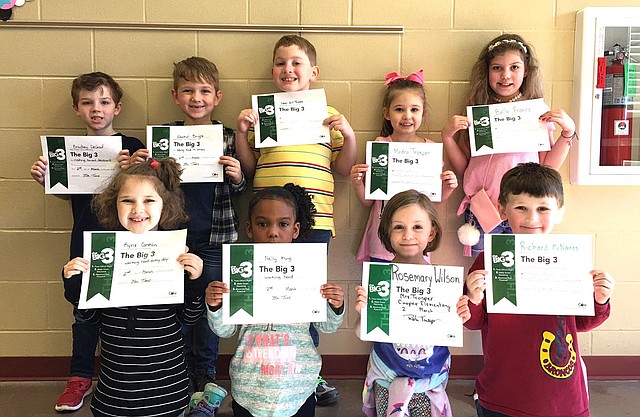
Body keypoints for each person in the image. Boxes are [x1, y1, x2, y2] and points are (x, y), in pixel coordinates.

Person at [234, 34, 356, 404]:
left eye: (297, 62)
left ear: (313, 72)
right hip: (268, 222)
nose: (289, 69)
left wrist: (347, 133)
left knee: (308, 298)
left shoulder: (327, 115)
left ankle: (310, 372)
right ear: (273, 71)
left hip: (314, 221)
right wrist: (242, 134)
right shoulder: (262, 116)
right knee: (268, 290)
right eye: (281, 63)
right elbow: (250, 167)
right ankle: (267, 370)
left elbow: (344, 168)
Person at [29, 71, 145, 413]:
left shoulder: (133, 147)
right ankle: (79, 378)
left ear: (117, 107)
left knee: (129, 313)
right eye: (88, 102)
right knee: (85, 313)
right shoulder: (66, 153)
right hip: (85, 243)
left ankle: (126, 375)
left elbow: (153, 191)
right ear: (76, 109)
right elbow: (70, 198)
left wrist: (135, 169)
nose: (97, 109)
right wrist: (47, 181)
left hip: (129, 244)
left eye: (105, 102)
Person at [129, 56, 246, 393]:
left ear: (218, 97)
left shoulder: (227, 136)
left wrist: (238, 175)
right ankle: (177, 369)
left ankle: (206, 370)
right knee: (175, 304)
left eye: (205, 91)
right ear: (175, 95)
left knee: (210, 305)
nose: (197, 98)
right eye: (188, 90)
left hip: (215, 236)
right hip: (170, 237)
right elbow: (147, 187)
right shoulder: (162, 139)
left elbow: (241, 188)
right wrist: (141, 165)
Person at [61, 158, 213, 417]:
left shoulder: (175, 256)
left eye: (149, 200)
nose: (138, 209)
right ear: (114, 205)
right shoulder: (104, 256)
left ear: (166, 207)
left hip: (168, 393)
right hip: (114, 395)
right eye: (127, 200)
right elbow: (92, 317)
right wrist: (75, 285)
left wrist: (195, 281)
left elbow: (188, 317)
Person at [464, 162, 615, 417]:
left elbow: (582, 322)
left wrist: (600, 300)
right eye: (521, 208)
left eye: (543, 208)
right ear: (502, 209)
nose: (531, 219)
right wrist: (473, 298)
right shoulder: (489, 260)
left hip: (562, 395)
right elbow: (474, 322)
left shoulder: (570, 260)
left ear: (559, 212)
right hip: (502, 391)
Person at [206, 183, 345, 417]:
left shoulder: (307, 271)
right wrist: (216, 305)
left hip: (299, 389)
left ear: (296, 229)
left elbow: (327, 326)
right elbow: (224, 330)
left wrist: (335, 305)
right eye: (263, 224)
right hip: (249, 389)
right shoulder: (241, 271)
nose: (273, 232)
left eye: (283, 224)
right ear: (249, 229)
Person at [441, 33, 577, 256]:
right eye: (497, 68)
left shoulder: (536, 114)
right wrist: (447, 137)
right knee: (484, 275)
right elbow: (463, 167)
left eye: (514, 67)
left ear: (526, 72)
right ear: (487, 72)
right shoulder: (476, 112)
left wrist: (568, 133)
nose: (505, 75)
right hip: (484, 209)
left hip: (524, 211)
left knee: (522, 273)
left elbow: (547, 166)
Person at [354, 190, 471, 417]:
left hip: (430, 380)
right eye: (398, 227)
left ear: (432, 232)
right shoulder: (380, 280)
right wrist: (363, 312)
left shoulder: (443, 283)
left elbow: (451, 332)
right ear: (386, 232)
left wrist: (461, 314)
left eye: (417, 227)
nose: (408, 235)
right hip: (387, 377)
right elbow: (362, 332)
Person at [350, 70, 458, 263]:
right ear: (387, 113)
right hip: (382, 237)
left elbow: (434, 200)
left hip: (416, 240)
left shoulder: (430, 151)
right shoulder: (380, 146)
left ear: (423, 114)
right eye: (399, 109)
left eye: (414, 110)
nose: (407, 116)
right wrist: (358, 182)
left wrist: (448, 187)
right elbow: (369, 201)